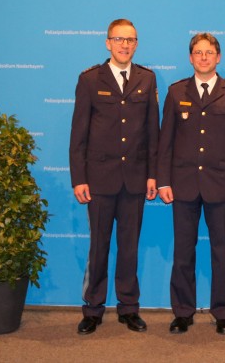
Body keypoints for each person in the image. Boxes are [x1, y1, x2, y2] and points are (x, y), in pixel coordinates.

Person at [157, 33, 225, 336]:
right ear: (190, 58)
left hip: (221, 185)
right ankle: (182, 312)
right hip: (183, 184)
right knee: (183, 252)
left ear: (218, 57)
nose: (204, 57)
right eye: (198, 52)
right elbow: (165, 142)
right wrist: (163, 181)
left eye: (209, 52)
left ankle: (223, 312)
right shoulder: (176, 92)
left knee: (222, 252)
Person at [69, 18, 159, 335]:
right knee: (99, 247)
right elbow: (78, 134)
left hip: (135, 179)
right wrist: (79, 178)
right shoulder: (90, 79)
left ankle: (129, 307)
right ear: (108, 43)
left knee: (129, 248)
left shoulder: (147, 79)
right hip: (99, 180)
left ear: (136, 44)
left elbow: (153, 132)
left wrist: (152, 175)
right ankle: (93, 309)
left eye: (130, 40)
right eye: (119, 39)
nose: (125, 45)